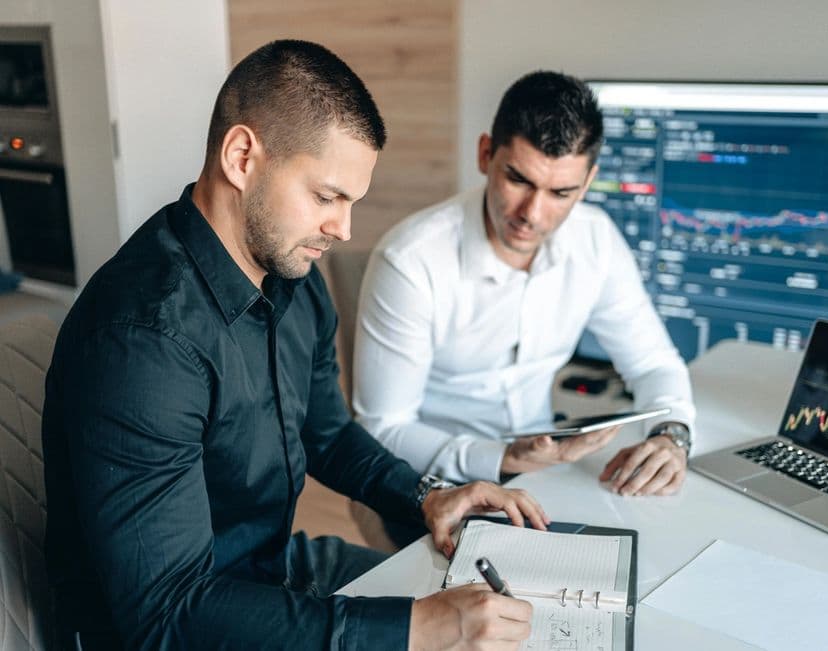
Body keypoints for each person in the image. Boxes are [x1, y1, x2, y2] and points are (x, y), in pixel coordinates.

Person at [42, 40, 547, 650]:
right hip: (179, 621)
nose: (343, 229)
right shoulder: (143, 339)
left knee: (516, 623)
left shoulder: (293, 282)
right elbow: (166, 613)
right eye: (327, 197)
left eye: (350, 203)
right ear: (241, 156)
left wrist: (428, 495)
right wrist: (417, 628)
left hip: (272, 568)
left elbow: (328, 435)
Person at [354, 71, 695, 497]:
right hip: (429, 482)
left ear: (587, 182)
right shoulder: (411, 262)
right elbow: (383, 428)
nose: (533, 213)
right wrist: (501, 458)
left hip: (542, 473)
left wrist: (671, 436)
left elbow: (652, 364)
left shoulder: (596, 240)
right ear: (485, 155)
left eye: (561, 192)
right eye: (519, 180)